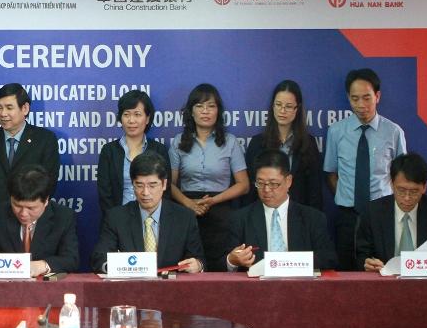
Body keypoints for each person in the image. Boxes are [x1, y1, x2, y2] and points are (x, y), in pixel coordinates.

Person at [324, 68, 406, 270]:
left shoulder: (394, 132)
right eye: (355, 99)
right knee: (346, 272)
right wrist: (346, 197)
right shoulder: (336, 131)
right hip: (347, 215)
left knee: (381, 271)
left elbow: (402, 176)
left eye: (367, 98)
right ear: (348, 98)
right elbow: (331, 173)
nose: (361, 105)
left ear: (377, 96)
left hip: (383, 215)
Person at [169, 83, 249, 271]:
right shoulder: (178, 141)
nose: (205, 111)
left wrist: (213, 200)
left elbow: (244, 185)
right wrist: (189, 204)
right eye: (200, 106)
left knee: (220, 266)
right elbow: (168, 184)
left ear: (218, 111)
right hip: (186, 210)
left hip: (221, 209)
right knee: (189, 265)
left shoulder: (230, 142)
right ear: (191, 111)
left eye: (211, 106)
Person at [91, 152, 204, 273]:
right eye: (139, 185)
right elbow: (99, 259)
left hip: (171, 284)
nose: (145, 192)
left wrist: (198, 265)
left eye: (152, 185)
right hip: (131, 283)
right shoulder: (116, 217)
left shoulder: (184, 218)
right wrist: (116, 267)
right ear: (133, 184)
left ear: (164, 184)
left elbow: (199, 259)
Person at [224, 150, 337, 271]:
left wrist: (291, 263)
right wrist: (231, 260)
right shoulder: (240, 219)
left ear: (288, 181)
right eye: (260, 183)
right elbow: (222, 264)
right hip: (256, 282)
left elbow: (329, 259)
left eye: (273, 184)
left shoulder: (313, 218)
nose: (266, 190)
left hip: (300, 282)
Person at [357, 153, 427, 274]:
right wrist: (367, 263)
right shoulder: (373, 211)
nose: (407, 198)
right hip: (385, 281)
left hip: (425, 281)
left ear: (425, 187)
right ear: (392, 184)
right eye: (401, 190)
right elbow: (361, 255)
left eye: (414, 191)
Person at [0, 83, 59, 220]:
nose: (3, 114)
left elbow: (49, 182)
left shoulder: (45, 140)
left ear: (25, 108)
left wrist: (24, 211)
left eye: (9, 108)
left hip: (31, 220)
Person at [0, 165, 78, 276]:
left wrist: (42, 265)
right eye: (17, 205)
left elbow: (71, 260)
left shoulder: (63, 217)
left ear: (46, 201)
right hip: (6, 284)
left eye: (31, 208)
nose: (23, 213)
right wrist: (4, 265)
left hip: (44, 285)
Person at [244, 80, 323, 209]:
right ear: (273, 107)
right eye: (278, 105)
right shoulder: (257, 143)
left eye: (288, 106)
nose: (282, 110)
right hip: (264, 212)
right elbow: (251, 188)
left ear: (297, 109)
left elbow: (314, 190)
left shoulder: (308, 143)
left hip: (298, 213)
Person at [96, 89, 170, 215]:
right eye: (126, 114)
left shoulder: (159, 150)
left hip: (152, 219)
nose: (131, 120)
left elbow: (165, 191)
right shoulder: (109, 151)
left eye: (137, 114)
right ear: (120, 118)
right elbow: (104, 193)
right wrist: (116, 220)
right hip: (117, 219)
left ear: (147, 119)